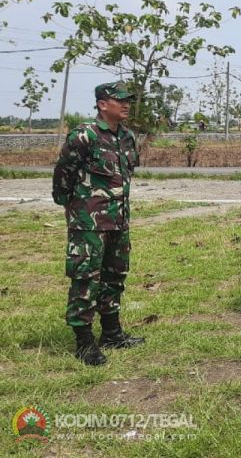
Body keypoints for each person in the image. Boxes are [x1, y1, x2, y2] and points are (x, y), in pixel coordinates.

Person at [52, 82, 144, 366]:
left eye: (128, 100)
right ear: (103, 104)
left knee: (115, 277)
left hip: (118, 221)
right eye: (120, 100)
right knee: (85, 279)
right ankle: (83, 342)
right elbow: (63, 172)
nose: (126, 104)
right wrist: (72, 206)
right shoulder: (84, 135)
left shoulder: (127, 137)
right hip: (88, 223)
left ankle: (112, 333)